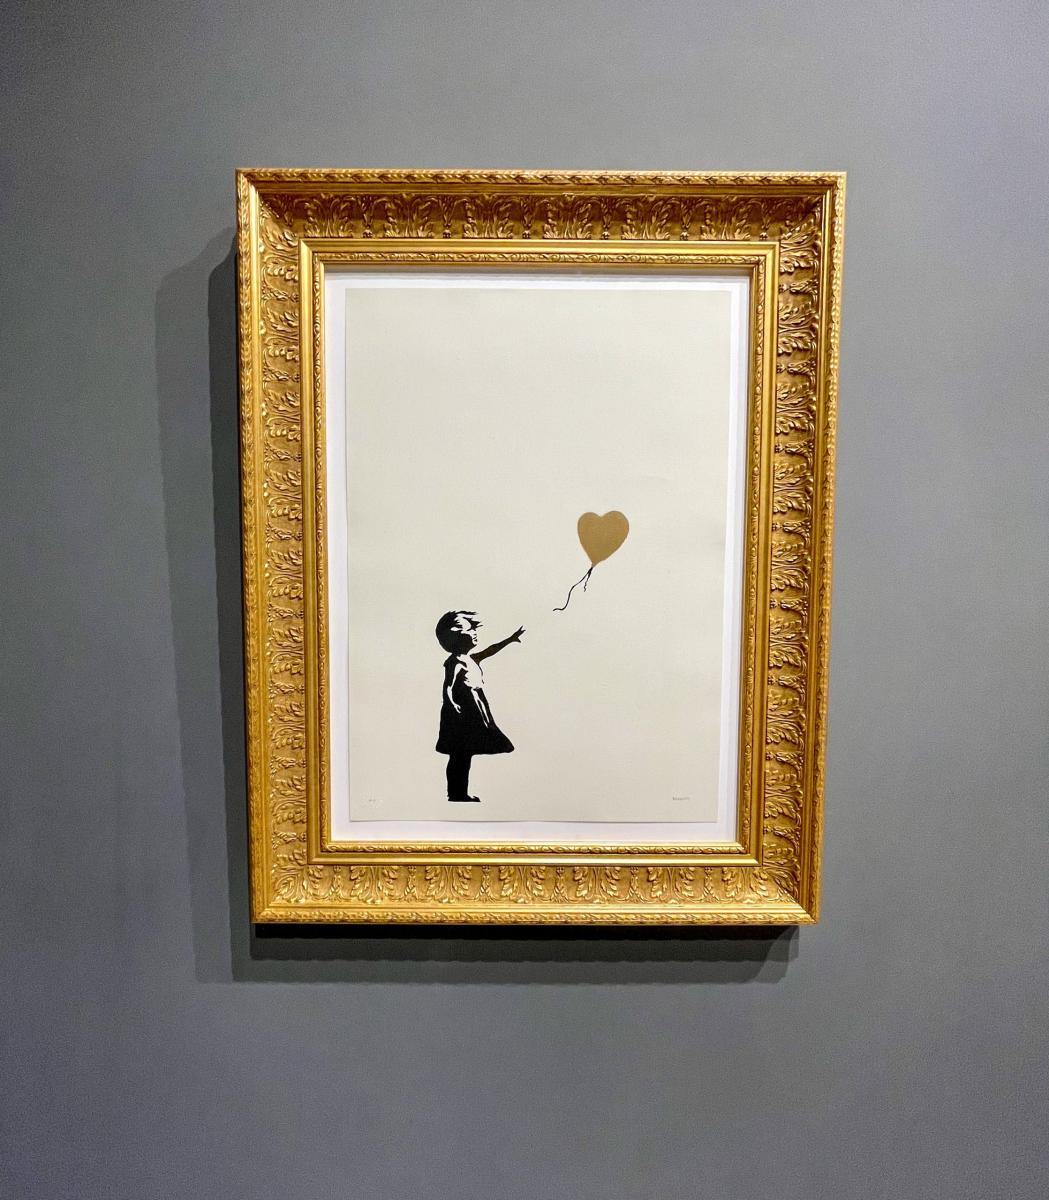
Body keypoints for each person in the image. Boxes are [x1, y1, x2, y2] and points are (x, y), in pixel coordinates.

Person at [434, 611, 524, 802]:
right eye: (470, 630)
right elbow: (448, 686)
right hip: (462, 709)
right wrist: (452, 703)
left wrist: (510, 639)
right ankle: (456, 793)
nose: (475, 633)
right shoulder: (455, 662)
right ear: (456, 636)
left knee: (465, 753)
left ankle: (459, 793)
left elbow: (490, 650)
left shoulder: (472, 659)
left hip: (475, 707)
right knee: (460, 753)